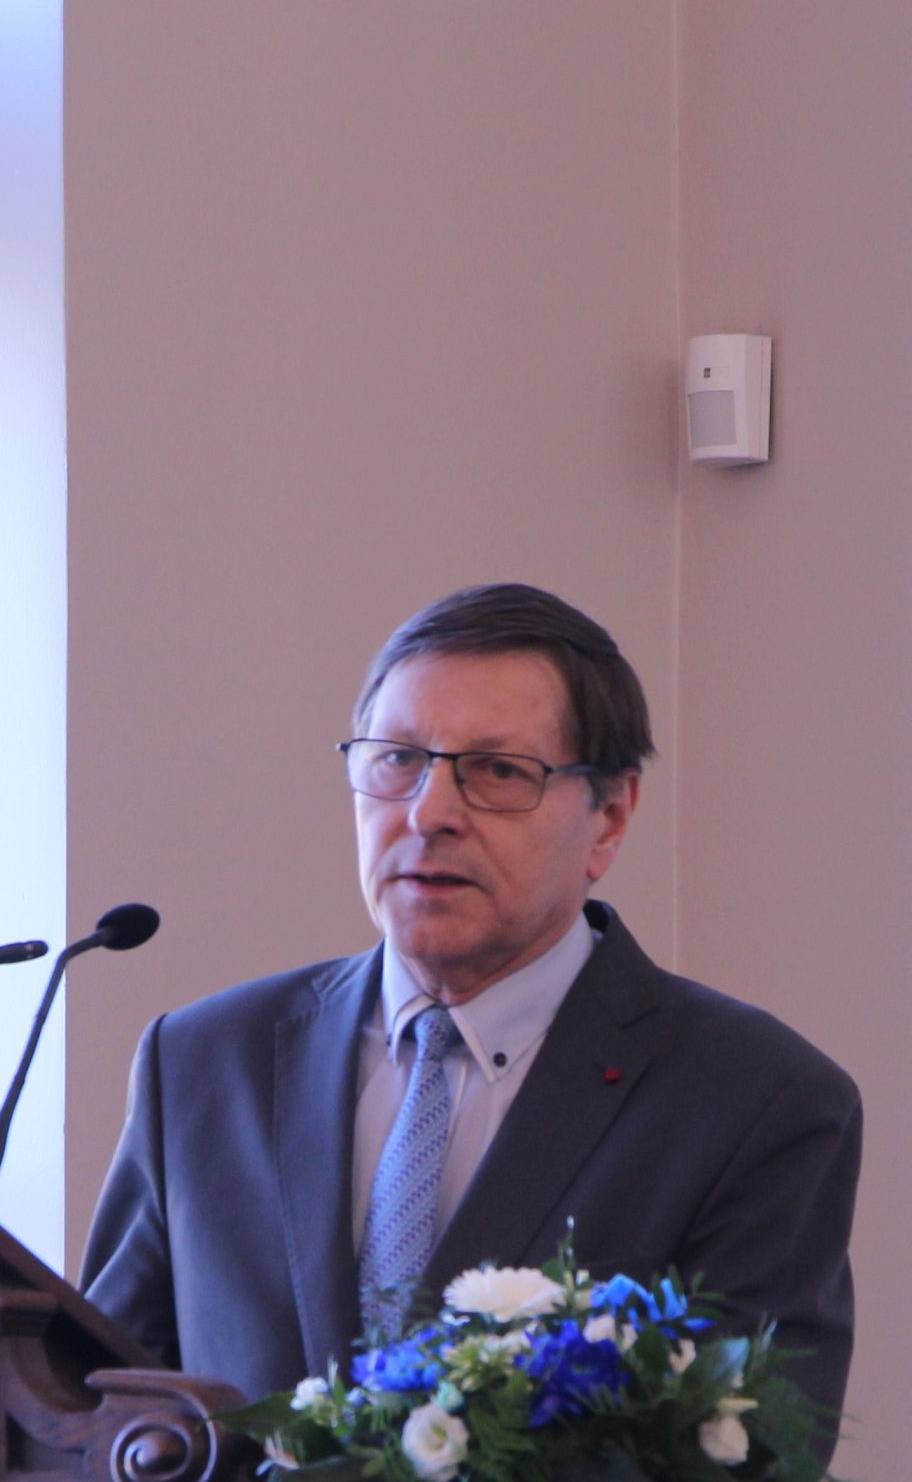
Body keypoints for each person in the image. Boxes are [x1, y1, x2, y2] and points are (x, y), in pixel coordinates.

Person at [80, 581, 862, 1415]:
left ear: (608, 816)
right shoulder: (203, 1064)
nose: (429, 813)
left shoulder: (753, 1099)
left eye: (498, 771)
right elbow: (88, 1409)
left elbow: (754, 1451)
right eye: (397, 759)